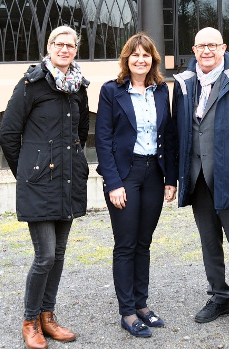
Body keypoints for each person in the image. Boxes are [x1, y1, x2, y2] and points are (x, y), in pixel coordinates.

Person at [172, 27, 229, 332]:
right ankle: (218, 295)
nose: (207, 51)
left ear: (224, 48)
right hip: (197, 176)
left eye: (213, 45)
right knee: (209, 241)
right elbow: (178, 131)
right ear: (194, 49)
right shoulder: (185, 84)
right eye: (201, 46)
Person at [0, 26, 90, 348]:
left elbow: (81, 133)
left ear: (76, 50)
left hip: (67, 180)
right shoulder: (31, 85)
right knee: (45, 255)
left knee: (60, 253)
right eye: (59, 44)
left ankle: (48, 317)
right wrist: (27, 172)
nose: (64, 49)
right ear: (49, 47)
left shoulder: (78, 87)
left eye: (70, 45)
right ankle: (30, 320)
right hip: (38, 182)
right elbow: (8, 135)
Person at [94, 33, 178, 338]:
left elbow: (167, 136)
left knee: (144, 243)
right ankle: (127, 312)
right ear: (126, 60)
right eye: (134, 55)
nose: (140, 60)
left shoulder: (159, 91)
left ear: (152, 59)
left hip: (153, 173)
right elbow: (102, 140)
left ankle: (142, 304)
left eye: (145, 55)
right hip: (125, 176)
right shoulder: (111, 91)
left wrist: (171, 178)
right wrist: (113, 183)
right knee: (126, 244)